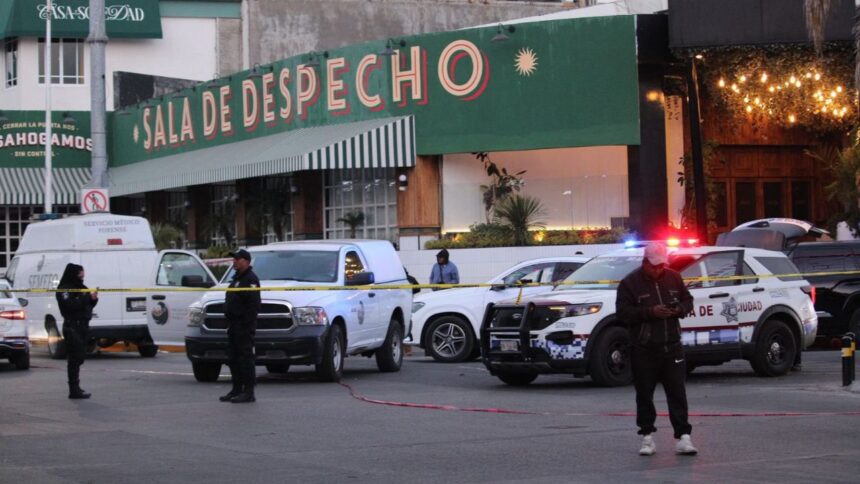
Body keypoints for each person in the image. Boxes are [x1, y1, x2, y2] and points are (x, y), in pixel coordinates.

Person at [616, 242, 698, 456]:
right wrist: (650, 312)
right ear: (644, 262)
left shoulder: (674, 277)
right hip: (644, 348)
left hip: (672, 346)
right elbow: (623, 313)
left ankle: (683, 437)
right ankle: (647, 437)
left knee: (677, 392)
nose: (658, 269)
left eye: (661, 265)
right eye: (654, 265)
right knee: (644, 393)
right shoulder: (629, 283)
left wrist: (679, 309)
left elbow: (688, 301)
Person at [220, 249, 261, 404]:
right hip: (233, 325)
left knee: (245, 358)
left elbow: (253, 305)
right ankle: (236, 389)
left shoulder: (250, 279)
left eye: (238, 259)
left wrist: (245, 325)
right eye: (234, 259)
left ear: (246, 261)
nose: (234, 261)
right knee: (233, 358)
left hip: (244, 326)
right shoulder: (237, 278)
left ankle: (249, 392)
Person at [56, 263, 98, 400]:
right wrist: (86, 298)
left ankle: (76, 387)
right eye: (80, 272)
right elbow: (69, 306)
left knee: (79, 358)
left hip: (83, 326)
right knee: (75, 358)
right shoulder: (64, 289)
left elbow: (86, 304)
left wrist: (93, 299)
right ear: (73, 273)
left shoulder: (81, 287)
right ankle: (73, 389)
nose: (82, 275)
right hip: (72, 326)